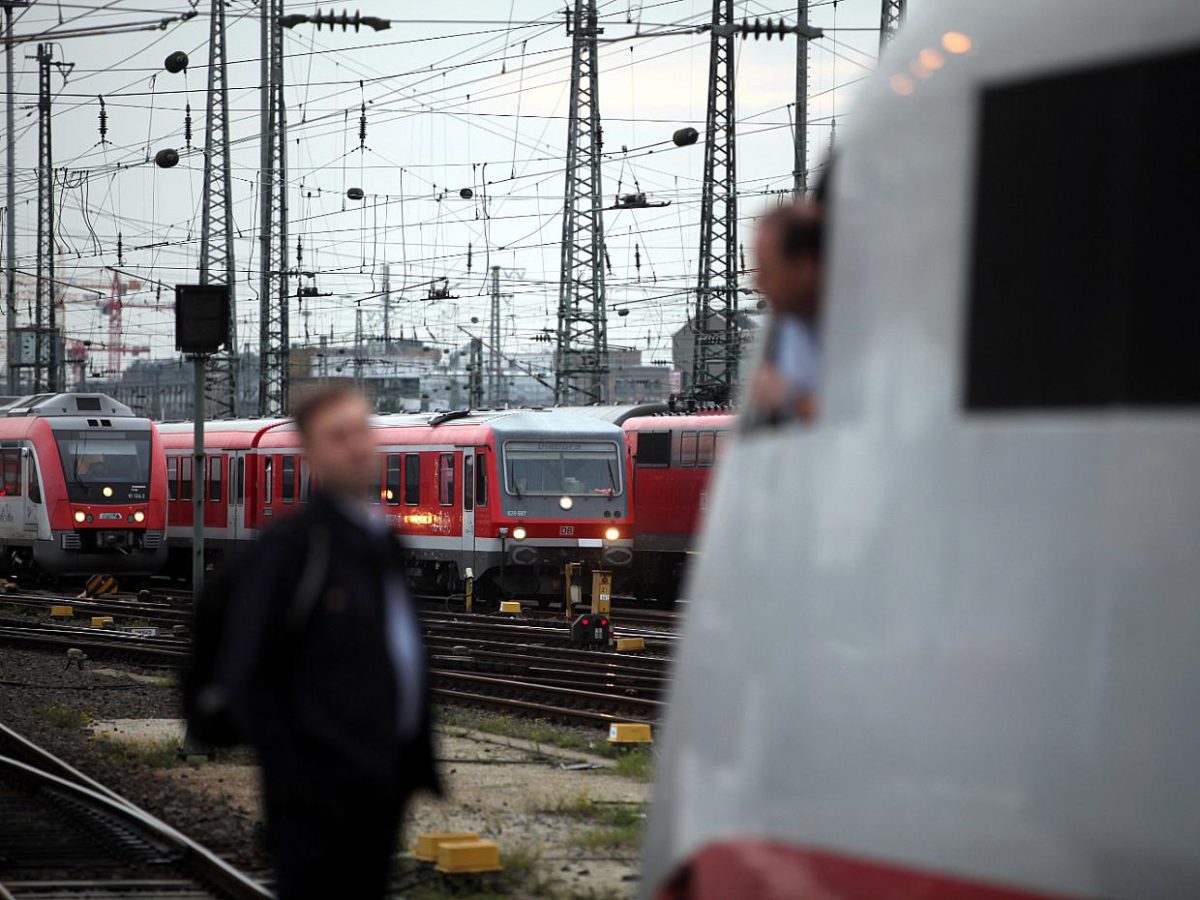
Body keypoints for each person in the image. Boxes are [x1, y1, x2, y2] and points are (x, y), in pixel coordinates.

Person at [216, 385, 438, 900]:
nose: (356, 446)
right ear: (310, 452)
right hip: (316, 792)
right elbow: (250, 668)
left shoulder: (382, 542)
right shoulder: (291, 549)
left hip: (380, 785)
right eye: (338, 436)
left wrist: (407, 769)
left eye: (362, 430)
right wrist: (293, 774)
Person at [744, 197, 826, 428]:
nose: (759, 284)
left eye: (768, 271)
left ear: (805, 267)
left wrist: (791, 399)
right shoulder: (783, 330)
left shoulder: (869, 329)